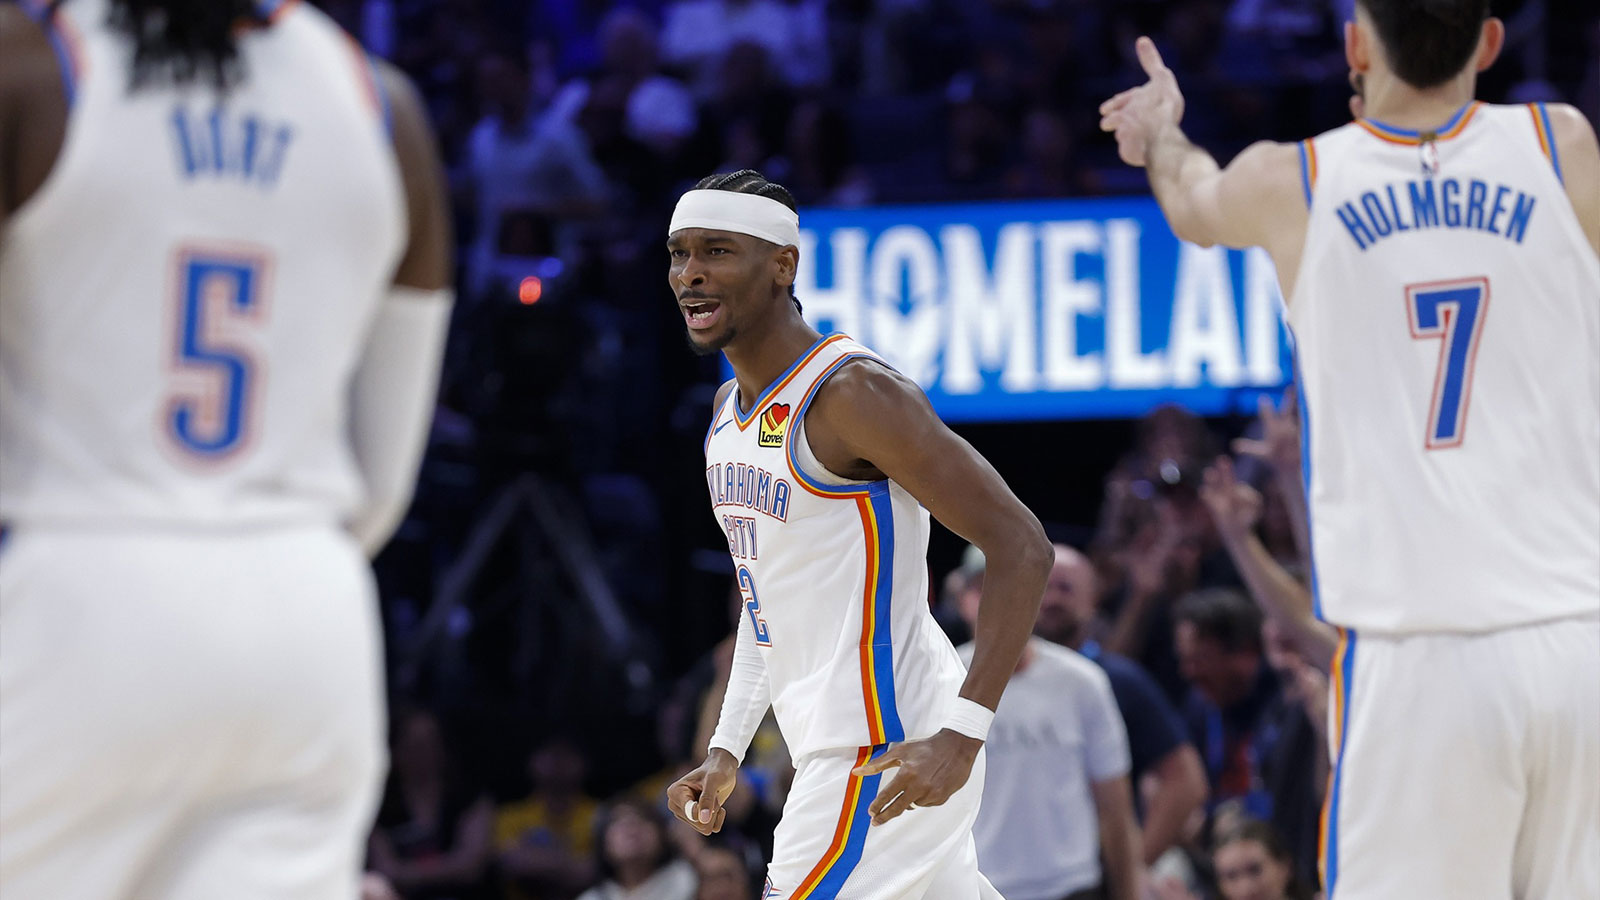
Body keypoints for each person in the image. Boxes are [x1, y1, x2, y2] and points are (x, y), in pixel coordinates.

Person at [1101, 0, 1600, 894]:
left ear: (1355, 46)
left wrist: (1162, 133)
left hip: (1423, 651)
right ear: (1489, 43)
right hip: (1578, 639)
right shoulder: (1562, 146)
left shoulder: (1292, 179)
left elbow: (1188, 201)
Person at [0, 0, 452, 896]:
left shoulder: (36, 68)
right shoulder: (381, 107)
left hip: (76, 587)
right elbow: (382, 481)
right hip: (305, 618)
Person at [664, 169, 1052, 898]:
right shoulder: (725, 415)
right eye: (679, 253)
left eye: (716, 251)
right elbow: (765, 600)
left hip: (888, 742)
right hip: (833, 743)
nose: (690, 274)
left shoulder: (853, 394)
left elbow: (1022, 545)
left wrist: (964, 736)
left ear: (783, 265)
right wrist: (726, 747)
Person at [954, 547, 1141, 900]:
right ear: (962, 600)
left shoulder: (1083, 682)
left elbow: (1116, 806)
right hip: (980, 887)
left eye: (1006, 584)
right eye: (983, 587)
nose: (996, 598)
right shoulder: (941, 680)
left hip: (1072, 886)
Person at [1034, 545, 1210, 868]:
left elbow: (1186, 780)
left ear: (1092, 600)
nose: (1052, 599)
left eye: (1065, 588)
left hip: (1082, 878)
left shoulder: (1118, 681)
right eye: (1044, 586)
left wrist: (1131, 869)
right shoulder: (991, 675)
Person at [1171, 590, 1321, 884]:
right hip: (1225, 854)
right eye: (1185, 660)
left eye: (1201, 658)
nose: (1189, 673)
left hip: (1289, 858)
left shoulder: (1290, 698)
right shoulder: (1201, 704)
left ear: (1245, 653)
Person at [576, 799, 697, 900]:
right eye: (618, 821)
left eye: (643, 819)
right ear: (603, 843)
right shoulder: (592, 898)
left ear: (662, 834)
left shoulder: (690, 881)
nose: (631, 827)